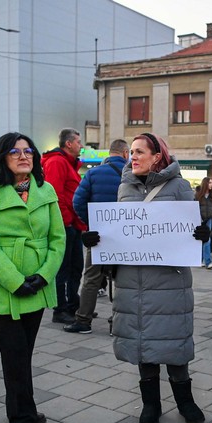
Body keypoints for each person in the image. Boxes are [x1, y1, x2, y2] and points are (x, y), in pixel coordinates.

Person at [85, 133, 208, 423]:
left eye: (140, 152)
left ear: (157, 156)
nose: (133, 157)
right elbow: (118, 231)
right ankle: (150, 404)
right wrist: (96, 240)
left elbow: (190, 226)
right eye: (131, 153)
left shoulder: (178, 186)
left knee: (174, 342)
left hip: (169, 281)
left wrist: (200, 235)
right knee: (142, 345)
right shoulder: (124, 187)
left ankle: (186, 402)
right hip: (133, 281)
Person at [0, 132, 66, 423]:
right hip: (2, 287)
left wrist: (44, 275)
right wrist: (14, 280)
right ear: (1, 157)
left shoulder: (46, 190)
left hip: (37, 285)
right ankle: (20, 419)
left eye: (28, 151)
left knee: (24, 352)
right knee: (13, 354)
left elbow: (57, 238)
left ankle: (27, 408)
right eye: (15, 151)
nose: (24, 156)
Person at [63, 139, 128, 334]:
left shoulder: (93, 173)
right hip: (127, 237)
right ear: (125, 153)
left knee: (91, 277)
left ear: (109, 153)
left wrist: (91, 224)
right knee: (123, 279)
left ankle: (83, 320)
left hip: (99, 236)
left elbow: (78, 202)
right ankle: (116, 321)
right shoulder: (132, 174)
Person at [42, 128, 86, 324]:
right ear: (68, 143)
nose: (81, 145)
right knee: (64, 268)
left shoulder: (67, 164)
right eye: (78, 142)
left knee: (76, 267)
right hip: (65, 225)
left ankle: (72, 305)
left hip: (73, 225)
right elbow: (55, 195)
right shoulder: (57, 162)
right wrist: (66, 220)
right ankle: (60, 309)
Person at [196, 177, 212, 269]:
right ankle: (202, 260)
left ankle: (207, 261)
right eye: (209, 183)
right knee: (201, 240)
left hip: (209, 219)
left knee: (207, 240)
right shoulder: (198, 195)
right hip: (199, 219)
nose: (211, 185)